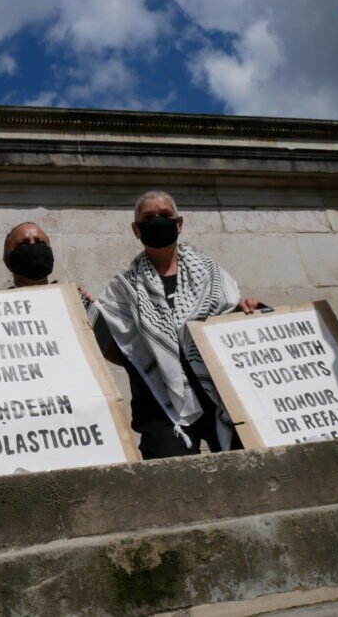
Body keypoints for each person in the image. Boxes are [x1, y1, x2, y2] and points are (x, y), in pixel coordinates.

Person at [90, 190, 261, 460]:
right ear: (136, 229)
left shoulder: (211, 274)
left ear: (179, 224)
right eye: (149, 218)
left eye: (165, 216)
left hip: (219, 393)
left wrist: (244, 310)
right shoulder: (121, 290)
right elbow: (115, 347)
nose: (157, 221)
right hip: (159, 403)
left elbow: (227, 321)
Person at [2, 221, 93, 306]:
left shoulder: (73, 300)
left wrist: (85, 305)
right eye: (23, 244)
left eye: (40, 242)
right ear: (7, 261)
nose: (34, 248)